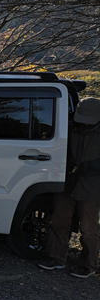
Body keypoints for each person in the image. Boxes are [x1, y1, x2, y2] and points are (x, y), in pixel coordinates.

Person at [39, 97, 100, 278]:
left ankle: (88, 264)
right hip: (67, 181)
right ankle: (56, 257)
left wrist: (91, 167)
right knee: (59, 219)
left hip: (92, 186)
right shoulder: (70, 127)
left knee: (89, 227)